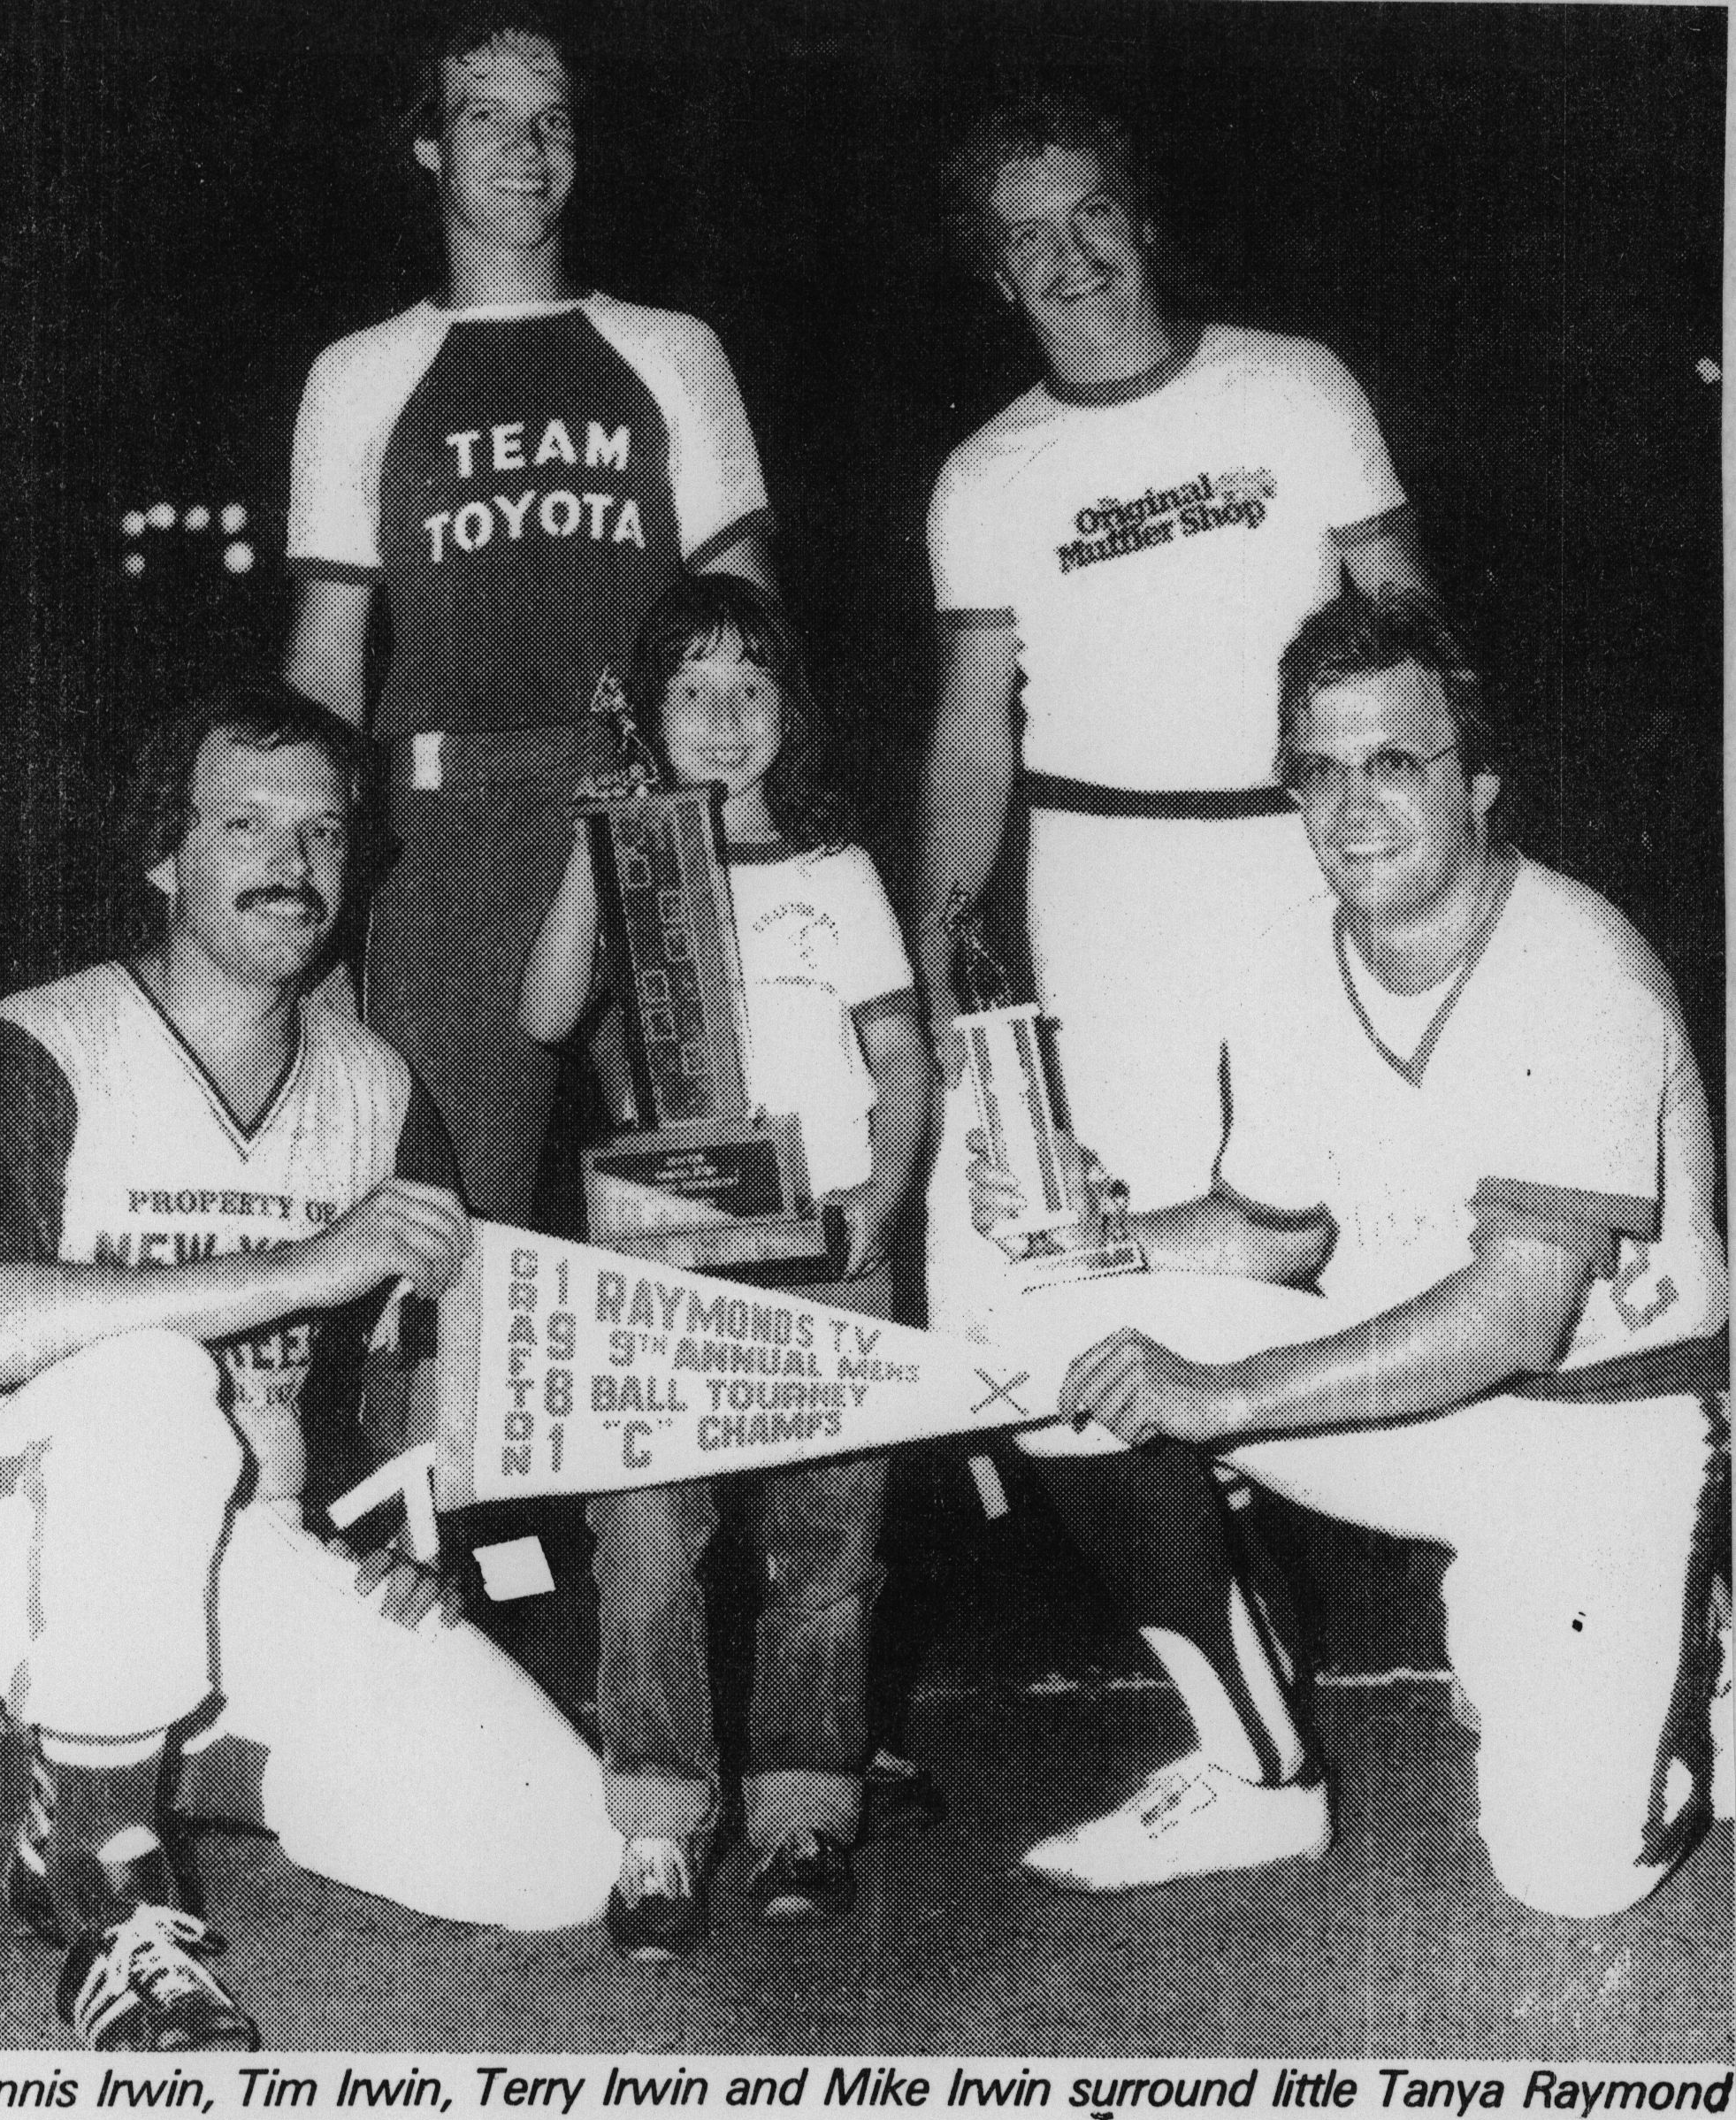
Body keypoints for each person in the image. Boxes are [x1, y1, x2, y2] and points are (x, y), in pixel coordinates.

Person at [970, 590, 1729, 1920]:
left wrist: (1227, 1397)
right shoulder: (1283, 964)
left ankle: (1699, 1645)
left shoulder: (1578, 968)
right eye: (1320, 770)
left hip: (1614, 1426)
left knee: (1570, 1879)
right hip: (1429, 1419)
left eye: (1395, 761)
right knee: (1047, 1324)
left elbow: (1515, 1317)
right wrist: (1092, 1237)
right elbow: (1273, 1234)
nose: (1353, 803)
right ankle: (1257, 1772)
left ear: (1480, 780)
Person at [0, 686, 622, 2052]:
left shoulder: (373, 1084)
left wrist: (428, 1531)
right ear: (163, 855)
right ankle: (106, 1886)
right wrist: (304, 1267)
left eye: (321, 829)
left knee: (562, 1852)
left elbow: (432, 1347)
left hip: (236, 1548)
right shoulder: (40, 1042)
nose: (290, 859)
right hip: (5, 1525)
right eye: (243, 822)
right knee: (152, 1387)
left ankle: (119, 1768)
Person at [915, 87, 1434, 1872]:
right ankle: (1249, 1755)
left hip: (1318, 849)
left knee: (1406, 1229)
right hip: (1106, 890)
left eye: (1089, 213)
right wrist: (945, 964)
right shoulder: (986, 474)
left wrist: (1437, 858)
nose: (1069, 254)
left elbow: (1408, 628)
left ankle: (1628, 1603)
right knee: (1062, 1291)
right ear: (992, 274)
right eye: (1026, 236)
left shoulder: (1293, 386)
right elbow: (974, 736)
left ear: (1137, 211)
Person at [284, 9, 775, 1224]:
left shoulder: (671, 349)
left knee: (724, 1212)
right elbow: (328, 664)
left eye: (550, 119)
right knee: (441, 1232)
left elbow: (750, 618)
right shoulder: (358, 374)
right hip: (447, 837)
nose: (523, 148)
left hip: (657, 807)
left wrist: (766, 833)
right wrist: (316, 909)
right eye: (484, 117)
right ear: (429, 151)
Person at [522, 576, 935, 1955]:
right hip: (662, 1255)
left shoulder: (838, 872)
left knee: (828, 1545)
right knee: (645, 1537)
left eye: (750, 685)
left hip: (826, 1242)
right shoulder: (631, 859)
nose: (720, 714)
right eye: (688, 686)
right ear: (647, 713)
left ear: (789, 713)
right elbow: (540, 1012)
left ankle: (804, 1807)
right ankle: (656, 1821)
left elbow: (899, 1056)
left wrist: (885, 1191)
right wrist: (605, 830)